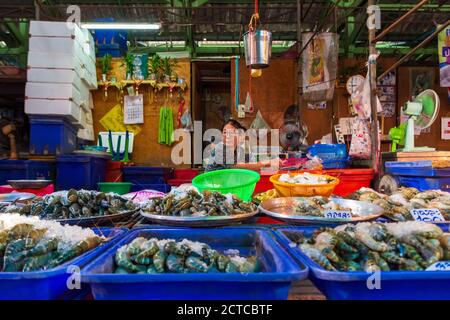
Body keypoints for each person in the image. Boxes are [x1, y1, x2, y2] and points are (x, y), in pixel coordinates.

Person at [203, 119, 281, 172]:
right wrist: (268, 162)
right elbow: (235, 167)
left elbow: (251, 166)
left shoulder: (241, 150)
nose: (227, 135)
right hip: (212, 185)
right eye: (224, 132)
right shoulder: (220, 148)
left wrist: (272, 166)